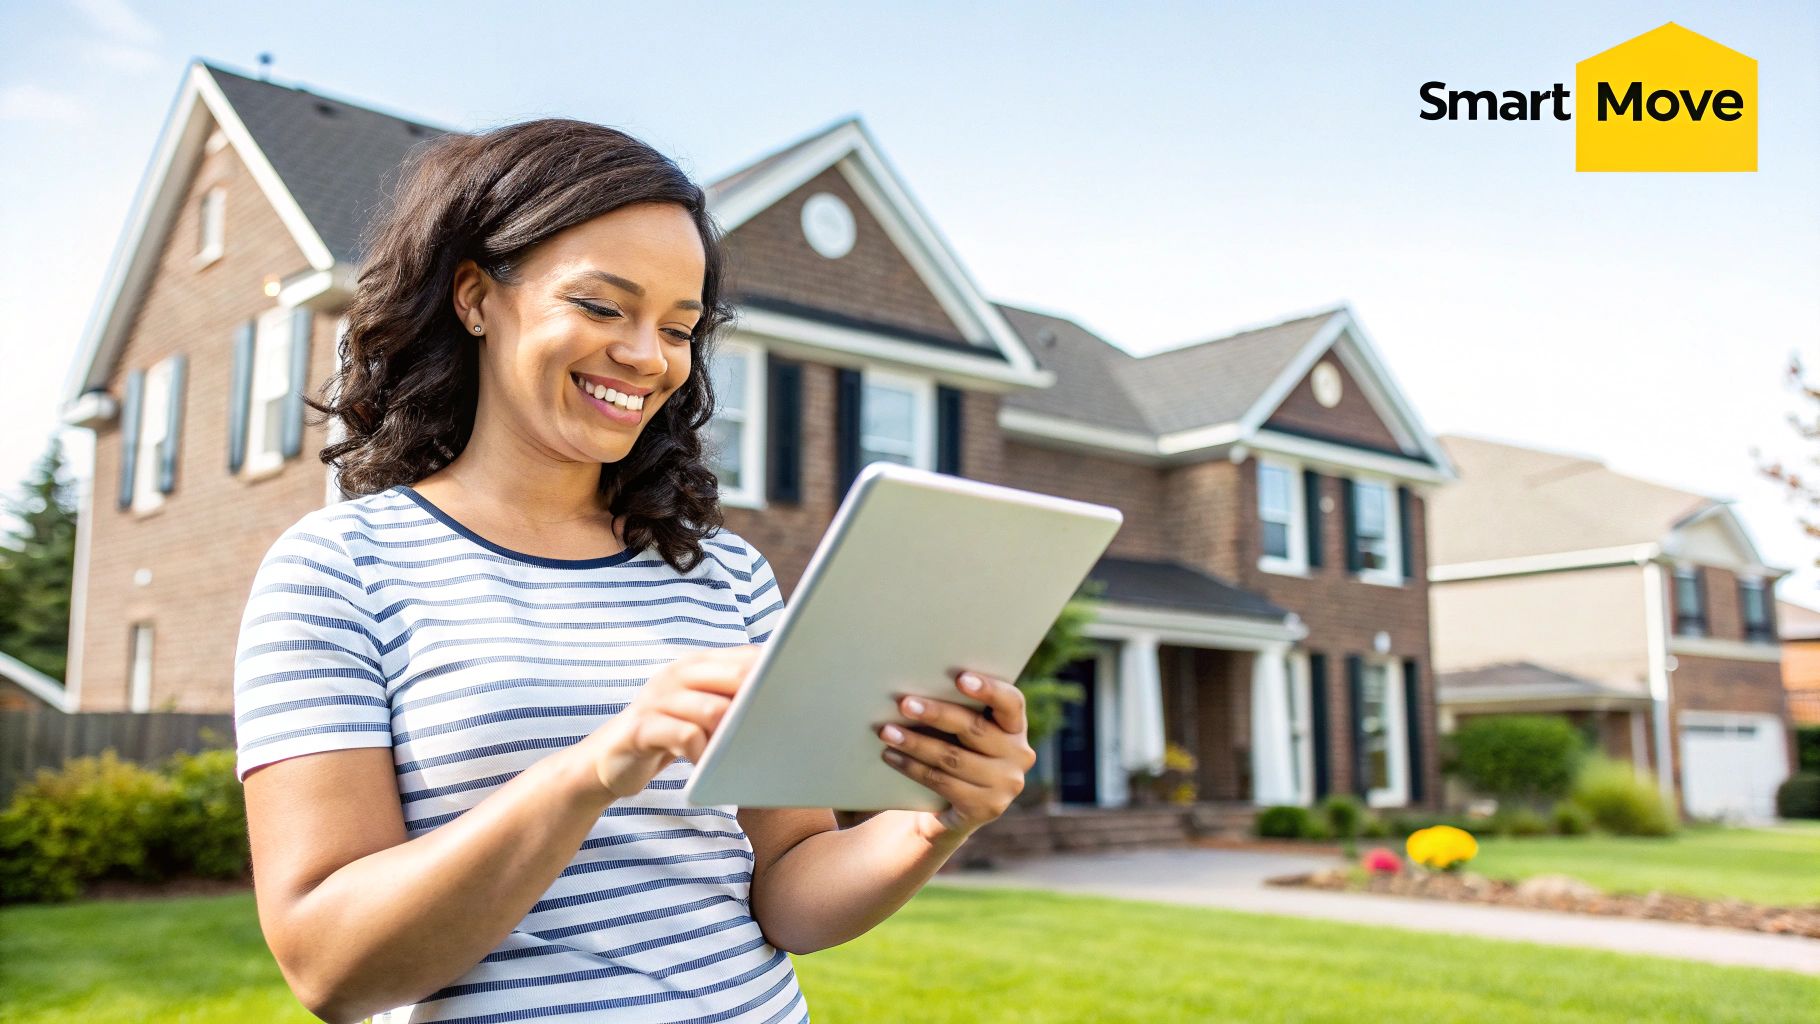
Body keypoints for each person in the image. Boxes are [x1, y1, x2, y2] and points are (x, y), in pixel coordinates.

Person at [232, 118, 1037, 1024]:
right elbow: (330, 969)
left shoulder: (724, 572)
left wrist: (932, 823)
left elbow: (791, 892)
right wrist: (599, 766)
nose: (647, 357)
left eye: (680, 327)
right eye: (603, 307)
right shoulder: (339, 567)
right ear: (474, 298)